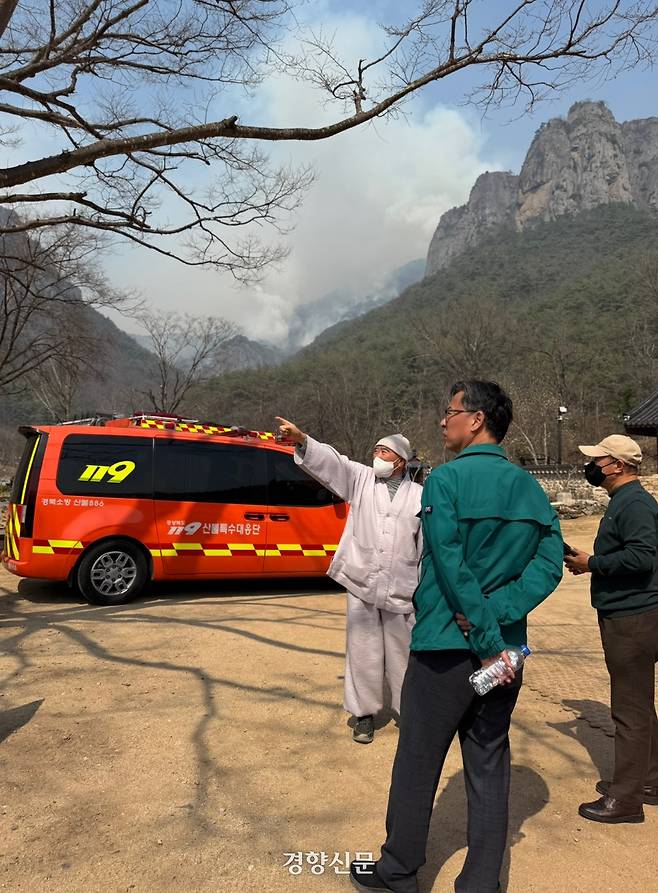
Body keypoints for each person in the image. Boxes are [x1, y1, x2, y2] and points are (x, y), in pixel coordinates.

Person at [349, 380, 563, 893]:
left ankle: (398, 871)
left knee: (419, 760)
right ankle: (481, 882)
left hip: (447, 651)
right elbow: (550, 564)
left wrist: (482, 626)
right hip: (505, 659)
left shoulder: (445, 482)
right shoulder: (531, 489)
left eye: (450, 412)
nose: (443, 421)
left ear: (477, 419)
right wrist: (501, 621)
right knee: (488, 761)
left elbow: (449, 563)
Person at [274, 416, 423, 745]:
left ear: (401, 461)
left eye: (384, 453)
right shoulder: (361, 479)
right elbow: (333, 463)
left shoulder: (419, 496)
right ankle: (364, 714)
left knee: (403, 654)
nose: (377, 457)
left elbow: (425, 545)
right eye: (376, 451)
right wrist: (302, 439)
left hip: (402, 586)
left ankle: (409, 712)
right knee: (363, 651)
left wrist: (425, 587)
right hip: (363, 580)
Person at [564, 434, 658, 824]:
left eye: (597, 460)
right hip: (631, 614)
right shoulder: (628, 501)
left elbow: (641, 556)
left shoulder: (634, 503)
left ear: (618, 465)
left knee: (629, 709)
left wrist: (593, 563)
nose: (592, 466)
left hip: (632, 619)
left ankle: (625, 798)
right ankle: (648, 780)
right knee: (638, 705)